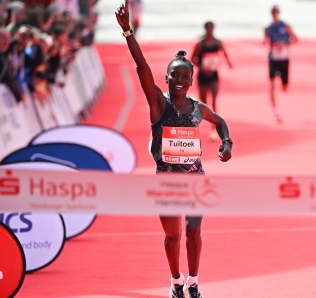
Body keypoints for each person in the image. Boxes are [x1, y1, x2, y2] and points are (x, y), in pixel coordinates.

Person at [115, 1, 233, 297]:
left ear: (191, 81)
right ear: (167, 78)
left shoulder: (197, 108)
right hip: (166, 180)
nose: (180, 80)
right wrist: (128, 31)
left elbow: (219, 121)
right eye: (175, 76)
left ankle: (193, 283)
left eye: (185, 77)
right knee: (172, 236)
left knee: (194, 233)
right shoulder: (159, 103)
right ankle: (176, 280)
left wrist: (226, 143)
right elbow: (142, 66)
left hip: (195, 177)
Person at [191, 21, 233, 141]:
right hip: (203, 75)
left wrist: (229, 62)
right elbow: (193, 58)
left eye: (211, 29)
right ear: (205, 29)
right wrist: (202, 68)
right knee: (204, 103)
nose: (210, 31)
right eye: (208, 29)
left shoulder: (218, 42)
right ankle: (197, 123)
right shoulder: (200, 43)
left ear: (213, 29)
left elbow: (224, 52)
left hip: (214, 74)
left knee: (214, 100)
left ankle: (213, 128)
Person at [264, 4, 298, 124]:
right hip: (273, 59)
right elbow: (265, 40)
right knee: (272, 86)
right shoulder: (268, 28)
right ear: (271, 13)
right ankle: (276, 112)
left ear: (278, 13)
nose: (274, 14)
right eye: (273, 12)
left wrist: (285, 44)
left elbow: (296, 39)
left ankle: (283, 82)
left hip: (284, 59)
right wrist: (265, 41)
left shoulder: (286, 26)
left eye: (276, 12)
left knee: (284, 87)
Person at [0, 27, 24, 103]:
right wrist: (19, 95)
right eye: (3, 39)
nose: (6, 43)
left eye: (8, 41)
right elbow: (7, 76)